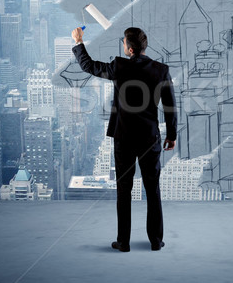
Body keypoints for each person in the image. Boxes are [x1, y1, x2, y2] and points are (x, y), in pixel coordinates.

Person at [71, 26, 177, 252]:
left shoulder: (119, 66)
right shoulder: (161, 70)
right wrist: (172, 135)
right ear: (143, 46)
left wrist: (80, 42)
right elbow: (170, 106)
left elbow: (88, 66)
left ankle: (124, 242)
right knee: (152, 189)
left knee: (124, 190)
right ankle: (156, 241)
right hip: (150, 138)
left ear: (129, 48)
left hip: (124, 138)